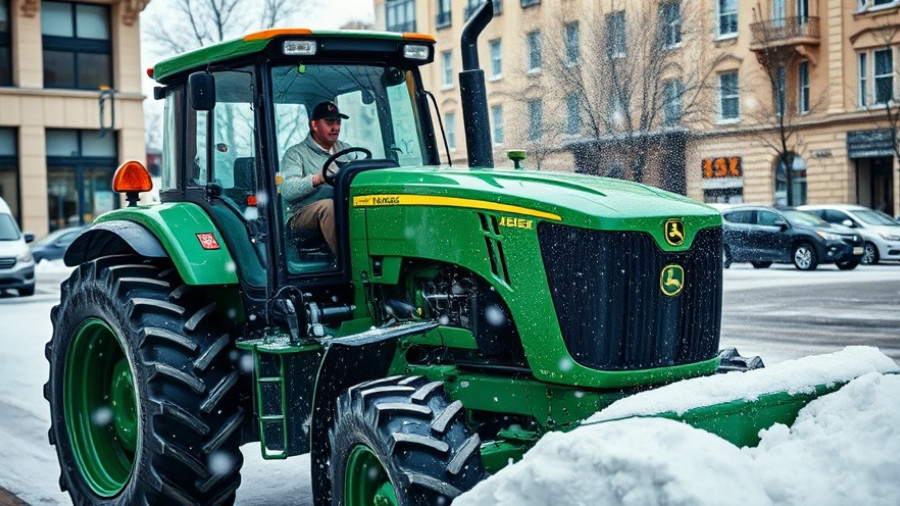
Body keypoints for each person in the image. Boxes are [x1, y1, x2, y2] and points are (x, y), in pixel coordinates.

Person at [280, 101, 353, 254]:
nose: (336, 128)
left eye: (338, 122)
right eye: (329, 123)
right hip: (299, 216)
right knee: (328, 207)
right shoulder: (295, 154)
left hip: (341, 205)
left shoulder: (347, 150)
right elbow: (287, 189)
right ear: (314, 125)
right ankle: (346, 262)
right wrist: (316, 179)